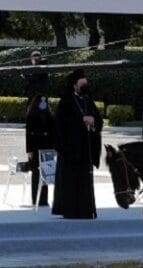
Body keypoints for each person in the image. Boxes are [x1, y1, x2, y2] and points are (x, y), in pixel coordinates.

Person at [53, 69, 102, 220]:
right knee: (70, 180)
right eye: (82, 84)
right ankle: (69, 210)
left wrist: (93, 121)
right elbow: (60, 124)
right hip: (70, 150)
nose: (85, 87)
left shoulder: (88, 100)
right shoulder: (66, 101)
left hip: (85, 149)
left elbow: (98, 120)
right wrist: (80, 121)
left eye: (85, 84)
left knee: (85, 181)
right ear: (74, 86)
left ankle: (86, 210)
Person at [25, 94, 56, 207]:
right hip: (35, 146)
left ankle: (44, 199)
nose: (43, 102)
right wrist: (29, 150)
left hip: (46, 146)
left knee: (46, 173)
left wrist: (54, 148)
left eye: (45, 100)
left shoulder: (49, 115)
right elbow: (28, 134)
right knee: (36, 173)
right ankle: (35, 199)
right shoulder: (31, 115)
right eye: (41, 100)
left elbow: (53, 133)